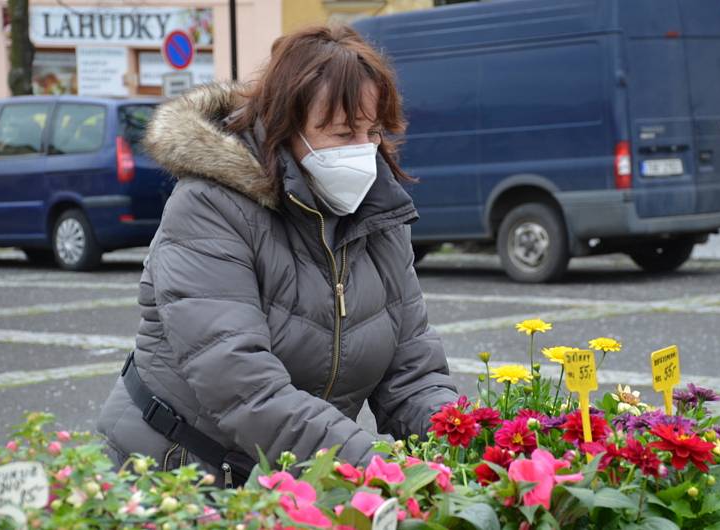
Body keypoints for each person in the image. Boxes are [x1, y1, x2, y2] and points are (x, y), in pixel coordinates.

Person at [96, 25, 458, 486]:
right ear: (285, 129)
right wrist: (370, 467)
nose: (364, 152)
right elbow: (241, 384)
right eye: (343, 132)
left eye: (372, 132)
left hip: (291, 477)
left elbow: (413, 374)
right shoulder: (210, 207)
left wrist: (464, 441)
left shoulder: (377, 217)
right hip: (178, 472)